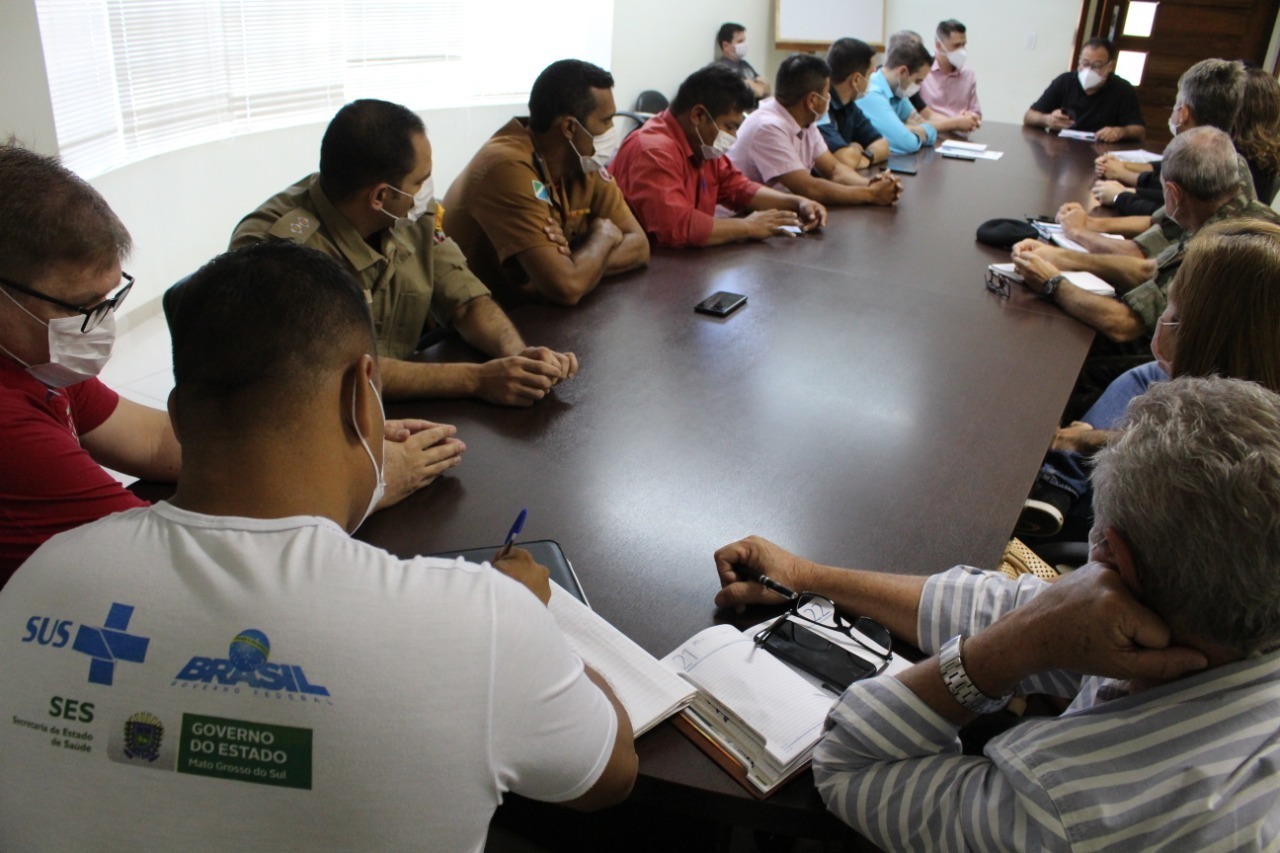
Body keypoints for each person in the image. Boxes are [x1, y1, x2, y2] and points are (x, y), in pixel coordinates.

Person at [0, 241, 637, 849]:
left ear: (180, 410)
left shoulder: (42, 576)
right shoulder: (482, 618)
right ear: (364, 392)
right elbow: (608, 777)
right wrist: (533, 615)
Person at [714, 376, 1280, 849]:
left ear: (1112, 558)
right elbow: (1012, 603)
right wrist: (811, 578)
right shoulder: (1237, 610)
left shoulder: (1076, 817)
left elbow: (851, 764)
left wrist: (1011, 648)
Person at [0, 143, 468, 588]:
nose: (98, 325)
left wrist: (331, 444)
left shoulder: (39, 363)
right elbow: (180, 561)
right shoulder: (10, 428)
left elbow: (159, 440)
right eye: (81, 308)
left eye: (108, 300)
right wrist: (366, 482)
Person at [232, 99, 578, 407]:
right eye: (420, 180)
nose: (427, 191)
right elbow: (340, 375)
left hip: (398, 408)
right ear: (380, 196)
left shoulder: (407, 215)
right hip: (313, 423)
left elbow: (467, 300)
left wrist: (518, 356)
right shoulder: (277, 255)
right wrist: (477, 379)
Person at [1022, 219, 1280, 536]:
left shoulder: (1184, 461)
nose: (1163, 322)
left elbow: (1166, 446)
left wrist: (1080, 438)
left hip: (1105, 525)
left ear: (1209, 338)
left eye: (1174, 316)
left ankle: (1057, 482)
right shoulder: (1255, 396)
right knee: (1148, 372)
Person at [1011, 127, 1280, 345]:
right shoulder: (1242, 210)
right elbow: (1150, 270)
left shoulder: (1214, 248)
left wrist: (1050, 282)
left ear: (1173, 195)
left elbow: (1122, 324)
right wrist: (1062, 257)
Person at [441, 60, 648, 308]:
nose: (611, 130)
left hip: (536, 314)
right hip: (474, 325)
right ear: (570, 127)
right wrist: (602, 238)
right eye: (606, 121)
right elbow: (567, 287)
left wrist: (575, 263)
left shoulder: (584, 162)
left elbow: (639, 246)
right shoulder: (506, 167)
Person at [611, 65, 827, 248]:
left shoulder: (702, 144)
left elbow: (738, 187)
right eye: (730, 126)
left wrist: (797, 202)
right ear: (698, 116)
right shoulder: (653, 150)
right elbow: (676, 226)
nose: (733, 136)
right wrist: (748, 226)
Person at [728, 55, 902, 207]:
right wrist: (871, 195)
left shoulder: (805, 119)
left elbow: (833, 169)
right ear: (812, 100)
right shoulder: (768, 127)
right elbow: (808, 188)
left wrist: (872, 183)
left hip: (770, 213)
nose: (828, 98)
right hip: (738, 220)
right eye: (826, 93)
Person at [1090, 59, 1246, 220]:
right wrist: (1125, 175)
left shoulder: (1205, 162)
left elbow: (1167, 222)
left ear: (1183, 113)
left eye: (1175, 106)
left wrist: (1120, 196)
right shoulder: (1228, 158)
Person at [1025, 37, 1145, 142]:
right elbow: (1029, 116)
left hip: (1101, 151)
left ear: (1110, 66)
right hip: (1060, 148)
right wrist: (1047, 120)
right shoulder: (1064, 81)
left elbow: (1139, 131)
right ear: (1079, 62)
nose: (1089, 71)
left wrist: (1121, 132)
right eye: (1085, 64)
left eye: (1097, 66)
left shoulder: (1123, 89)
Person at [882, 30, 980, 136]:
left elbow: (924, 120)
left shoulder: (903, 89)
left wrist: (961, 121)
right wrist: (955, 123)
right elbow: (902, 135)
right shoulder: (879, 89)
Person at [856, 40, 939, 154]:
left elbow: (926, 126)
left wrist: (905, 129)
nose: (918, 87)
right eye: (917, 81)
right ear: (903, 72)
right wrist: (907, 129)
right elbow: (907, 143)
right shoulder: (871, 93)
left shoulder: (897, 91)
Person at [820, 38, 891, 169]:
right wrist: (855, 146)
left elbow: (883, 145)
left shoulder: (850, 105)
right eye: (869, 75)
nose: (871, 81)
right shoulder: (820, 107)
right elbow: (846, 161)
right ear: (856, 80)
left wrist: (866, 157)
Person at [918, 20, 982, 122]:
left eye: (963, 45)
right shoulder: (921, 73)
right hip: (932, 134)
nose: (962, 51)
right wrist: (956, 122)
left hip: (959, 136)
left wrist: (970, 117)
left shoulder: (968, 74)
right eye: (956, 46)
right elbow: (915, 114)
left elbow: (976, 113)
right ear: (939, 46)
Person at [714, 22, 770, 102]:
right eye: (740, 41)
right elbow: (741, 94)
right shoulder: (721, 69)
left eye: (744, 40)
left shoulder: (744, 64)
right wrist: (757, 86)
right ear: (726, 46)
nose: (744, 44)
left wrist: (752, 85)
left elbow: (767, 88)